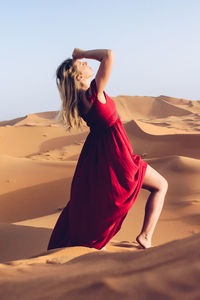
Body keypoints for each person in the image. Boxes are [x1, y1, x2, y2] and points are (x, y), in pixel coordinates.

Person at [47, 48, 168, 251]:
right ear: (79, 76)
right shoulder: (93, 93)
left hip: (99, 154)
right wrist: (82, 52)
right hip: (116, 155)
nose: (86, 64)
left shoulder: (80, 101)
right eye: (82, 65)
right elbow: (108, 55)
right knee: (161, 185)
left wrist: (78, 60)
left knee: (100, 201)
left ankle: (101, 243)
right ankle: (146, 236)